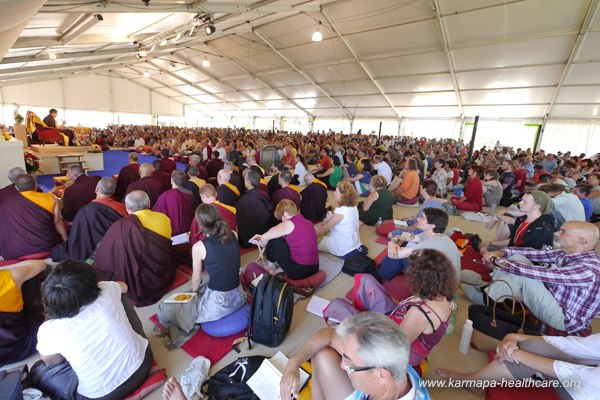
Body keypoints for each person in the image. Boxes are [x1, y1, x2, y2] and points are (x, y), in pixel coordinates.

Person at [29, 260, 152, 400]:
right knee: (119, 294)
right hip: (143, 364)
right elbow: (124, 286)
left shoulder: (49, 330)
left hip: (101, 396)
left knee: (39, 372)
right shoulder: (106, 289)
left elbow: (54, 362)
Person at [326, 249, 456, 375]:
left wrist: (370, 323)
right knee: (367, 280)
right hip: (397, 322)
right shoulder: (442, 296)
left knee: (337, 306)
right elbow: (404, 308)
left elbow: (394, 347)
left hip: (395, 343)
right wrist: (387, 299)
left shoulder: (420, 313)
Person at [467, 221, 600, 336]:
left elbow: (535, 273)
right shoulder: (568, 253)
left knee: (524, 276)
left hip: (564, 320)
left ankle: (487, 297)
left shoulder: (588, 271)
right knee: (518, 259)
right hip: (553, 298)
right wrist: (503, 252)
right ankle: (493, 291)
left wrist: (496, 260)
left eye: (563, 232)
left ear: (582, 241)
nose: (556, 234)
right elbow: (533, 253)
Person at [279, 312, 430, 400]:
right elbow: (330, 334)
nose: (342, 365)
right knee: (323, 354)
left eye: (349, 363)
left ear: (382, 375)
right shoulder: (391, 358)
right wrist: (293, 365)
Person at [158, 204, 246, 338]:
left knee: (168, 309)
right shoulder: (233, 234)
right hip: (239, 294)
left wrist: (194, 294)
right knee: (204, 288)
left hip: (220, 303)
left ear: (200, 225)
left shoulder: (199, 247)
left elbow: (197, 278)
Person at [437, 332, 599, 399]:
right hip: (587, 373)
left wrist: (516, 353)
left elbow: (580, 377)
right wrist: (515, 338)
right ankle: (477, 382)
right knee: (530, 346)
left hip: (586, 389)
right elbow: (574, 345)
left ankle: (473, 381)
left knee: (526, 352)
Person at [93, 190, 176, 307]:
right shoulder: (163, 218)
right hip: (164, 270)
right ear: (149, 203)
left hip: (140, 279)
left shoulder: (121, 226)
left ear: (126, 207)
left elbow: (107, 253)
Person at [52, 178, 126, 262]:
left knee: (60, 250)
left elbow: (78, 234)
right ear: (113, 191)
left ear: (97, 189)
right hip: (116, 244)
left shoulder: (86, 211)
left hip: (94, 247)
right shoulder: (122, 207)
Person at [379, 208, 461, 281]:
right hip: (440, 273)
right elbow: (406, 236)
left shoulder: (432, 243)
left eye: (422, 217)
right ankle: (384, 270)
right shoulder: (431, 234)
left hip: (444, 285)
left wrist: (391, 242)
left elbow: (394, 254)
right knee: (402, 249)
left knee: (398, 257)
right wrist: (397, 241)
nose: (418, 219)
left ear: (432, 225)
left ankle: (379, 276)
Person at [0, 174, 67, 260]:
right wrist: (66, 240)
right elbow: (57, 222)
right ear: (36, 185)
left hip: (16, 252)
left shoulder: (7, 203)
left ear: (16, 188)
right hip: (47, 247)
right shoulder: (50, 198)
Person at [256, 200, 319, 280]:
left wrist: (264, 245)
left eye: (281, 217)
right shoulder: (309, 222)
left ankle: (270, 267)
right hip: (314, 267)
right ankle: (279, 269)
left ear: (285, 214)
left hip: (300, 272)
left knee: (274, 240)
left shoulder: (289, 223)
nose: (282, 220)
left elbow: (264, 237)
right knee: (285, 241)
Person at [0, 259, 46, 366]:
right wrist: (6, 269)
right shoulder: (5, 278)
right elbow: (41, 264)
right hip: (23, 343)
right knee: (30, 277)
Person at [481, 191, 556, 252]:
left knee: (486, 252)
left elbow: (520, 249)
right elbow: (514, 241)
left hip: (527, 260)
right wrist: (490, 243)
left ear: (536, 206)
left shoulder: (540, 229)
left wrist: (499, 251)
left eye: (525, 202)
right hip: (518, 250)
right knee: (485, 249)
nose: (520, 203)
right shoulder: (527, 217)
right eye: (521, 200)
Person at [376, 180, 444, 238]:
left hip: (421, 230)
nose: (419, 189)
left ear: (424, 189)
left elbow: (420, 224)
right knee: (394, 221)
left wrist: (405, 228)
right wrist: (409, 218)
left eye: (420, 187)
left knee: (390, 235)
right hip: (417, 224)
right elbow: (420, 216)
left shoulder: (430, 205)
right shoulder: (432, 200)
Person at [316, 181, 364, 259]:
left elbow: (322, 229)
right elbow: (328, 223)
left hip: (342, 249)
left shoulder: (341, 211)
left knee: (314, 239)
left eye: (336, 192)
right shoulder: (354, 207)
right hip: (355, 244)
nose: (334, 193)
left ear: (343, 195)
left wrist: (308, 237)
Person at [237, 170, 273, 248]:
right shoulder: (264, 193)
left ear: (249, 182)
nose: (244, 181)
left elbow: (241, 220)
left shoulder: (244, 200)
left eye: (245, 179)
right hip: (263, 229)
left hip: (250, 231)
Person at [153, 170, 195, 236]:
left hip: (170, 229)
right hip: (187, 227)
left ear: (172, 180)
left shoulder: (165, 196)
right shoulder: (189, 194)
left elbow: (157, 212)